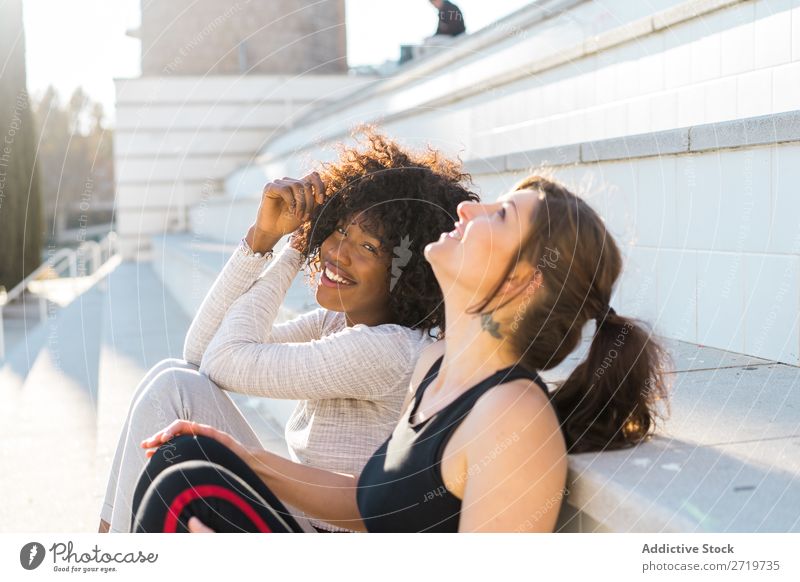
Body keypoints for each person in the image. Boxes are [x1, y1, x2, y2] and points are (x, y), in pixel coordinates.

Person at [133, 174, 670, 533]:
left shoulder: (513, 417)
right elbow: (368, 505)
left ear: (522, 283)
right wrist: (243, 456)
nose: (467, 208)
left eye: (500, 216)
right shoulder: (436, 368)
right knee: (184, 461)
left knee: (185, 483)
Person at [98, 130, 478, 533]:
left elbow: (224, 361)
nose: (336, 251)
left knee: (172, 387)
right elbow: (201, 351)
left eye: (368, 248)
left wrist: (295, 247)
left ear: (407, 275)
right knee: (172, 378)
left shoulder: (387, 349)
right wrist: (262, 238)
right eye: (338, 229)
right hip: (302, 523)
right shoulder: (339, 322)